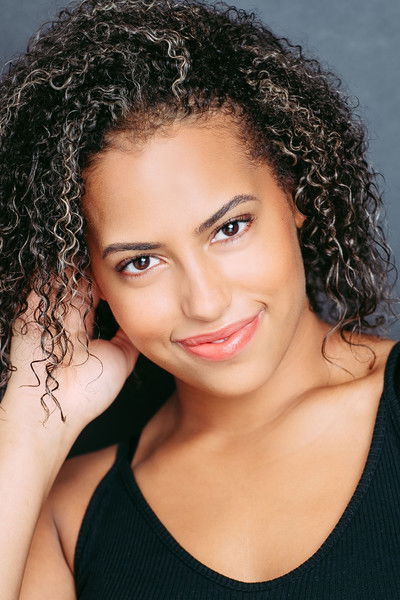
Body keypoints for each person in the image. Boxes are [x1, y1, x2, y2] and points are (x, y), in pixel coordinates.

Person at [0, 0, 399, 597]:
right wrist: (33, 423)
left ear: (295, 194)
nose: (206, 302)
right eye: (140, 262)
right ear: (89, 281)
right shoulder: (67, 519)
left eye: (229, 228)